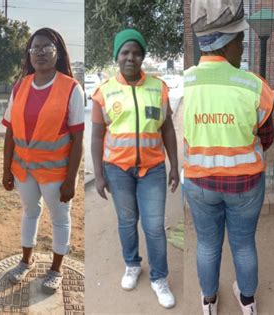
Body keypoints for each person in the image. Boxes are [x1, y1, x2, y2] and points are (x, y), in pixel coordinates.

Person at [185, 1, 274, 314]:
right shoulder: (254, 86)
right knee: (243, 243)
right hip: (246, 186)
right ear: (229, 43)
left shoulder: (184, 85)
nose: (242, 47)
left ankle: (209, 303)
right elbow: (267, 137)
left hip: (199, 184)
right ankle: (247, 303)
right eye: (240, 40)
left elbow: (184, 134)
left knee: (207, 244)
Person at [91, 28, 179, 309]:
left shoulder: (159, 88)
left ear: (143, 56)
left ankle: (159, 278)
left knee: (154, 226)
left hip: (152, 169)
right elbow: (95, 136)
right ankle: (132, 265)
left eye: (136, 52)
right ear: (117, 56)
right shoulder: (104, 92)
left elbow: (167, 130)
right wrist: (99, 174)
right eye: (125, 52)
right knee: (127, 223)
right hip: (117, 170)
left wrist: (174, 166)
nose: (131, 57)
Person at [2, 28, 84, 294]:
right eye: (34, 48)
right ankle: (26, 260)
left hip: (56, 173)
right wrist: (6, 170)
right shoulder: (21, 85)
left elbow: (78, 139)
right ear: (29, 53)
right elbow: (11, 132)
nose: (39, 53)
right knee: (29, 212)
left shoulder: (71, 88)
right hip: (24, 170)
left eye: (46, 47)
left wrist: (71, 180)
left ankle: (56, 269)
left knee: (60, 218)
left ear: (57, 51)